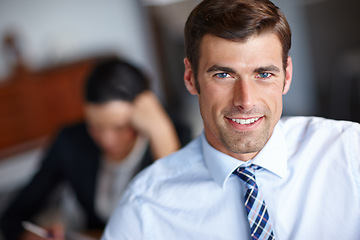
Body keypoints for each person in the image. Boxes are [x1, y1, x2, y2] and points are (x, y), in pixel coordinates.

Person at [101, 0, 360, 239]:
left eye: (264, 74)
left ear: (287, 75)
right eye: (223, 75)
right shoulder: (144, 207)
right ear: (191, 78)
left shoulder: (349, 153)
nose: (245, 101)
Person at [0, 57, 191, 240]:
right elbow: (14, 216)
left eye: (119, 127)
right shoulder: (70, 141)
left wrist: (160, 131)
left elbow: (182, 220)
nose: (107, 140)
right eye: (95, 126)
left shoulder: (174, 136)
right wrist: (29, 236)